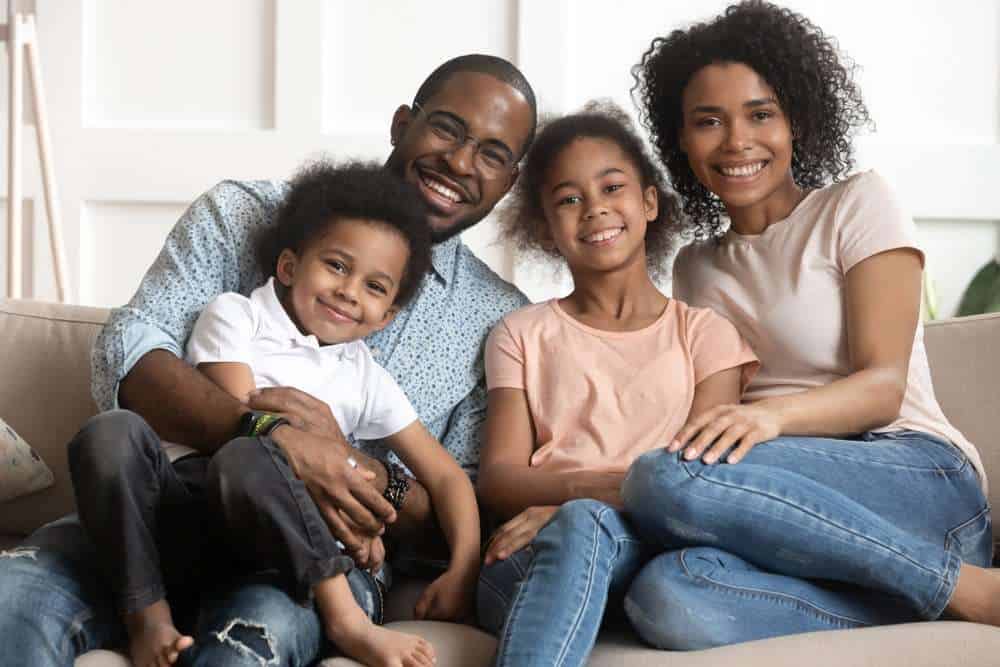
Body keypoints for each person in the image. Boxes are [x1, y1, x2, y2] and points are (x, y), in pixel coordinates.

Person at [0, 54, 536, 667]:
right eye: (447, 128)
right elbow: (131, 359)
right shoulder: (239, 216)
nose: (461, 163)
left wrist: (348, 465)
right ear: (401, 124)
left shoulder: (495, 321)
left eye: (493, 154)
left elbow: (457, 501)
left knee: (247, 646)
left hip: (308, 565)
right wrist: (273, 437)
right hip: (150, 520)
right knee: (10, 604)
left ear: (511, 180)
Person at [621, 0, 997, 650]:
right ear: (680, 138)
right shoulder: (694, 267)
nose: (737, 141)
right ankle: (923, 593)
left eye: (761, 114)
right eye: (708, 121)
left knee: (663, 477)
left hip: (916, 475)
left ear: (799, 119)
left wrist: (769, 419)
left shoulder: (857, 203)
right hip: (794, 505)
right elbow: (714, 428)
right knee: (666, 595)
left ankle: (967, 586)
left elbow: (881, 385)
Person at [69, 162, 482, 667]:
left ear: (387, 316)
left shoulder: (363, 373)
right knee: (120, 434)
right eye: (336, 266)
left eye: (375, 287)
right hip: (195, 510)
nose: (350, 291)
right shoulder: (237, 315)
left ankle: (344, 616)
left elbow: (444, 476)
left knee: (259, 454)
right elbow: (242, 425)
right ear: (289, 268)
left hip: (279, 551)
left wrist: (463, 568)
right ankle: (149, 621)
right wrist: (338, 475)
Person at [473, 103, 760, 666]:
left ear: (649, 202)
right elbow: (500, 480)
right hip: (530, 559)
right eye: (568, 199)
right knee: (580, 527)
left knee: (586, 523)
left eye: (611, 188)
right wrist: (599, 500)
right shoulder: (519, 333)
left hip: (649, 556)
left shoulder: (707, 337)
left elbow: (699, 485)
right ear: (546, 230)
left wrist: (567, 500)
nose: (595, 210)